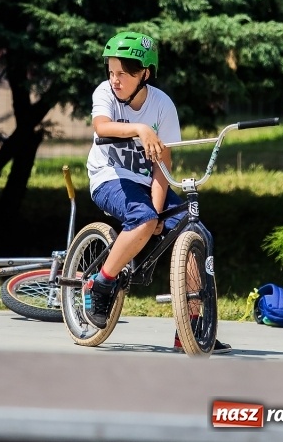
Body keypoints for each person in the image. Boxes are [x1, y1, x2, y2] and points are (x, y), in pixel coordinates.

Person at [83, 31, 231, 354]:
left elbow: (163, 166)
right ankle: (102, 282)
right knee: (144, 219)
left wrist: (157, 206)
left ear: (144, 74)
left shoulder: (163, 106)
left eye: (123, 73)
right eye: (111, 71)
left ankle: (188, 329)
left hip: (146, 181)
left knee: (194, 230)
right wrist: (140, 128)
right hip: (108, 177)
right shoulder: (105, 93)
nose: (115, 79)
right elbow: (102, 127)